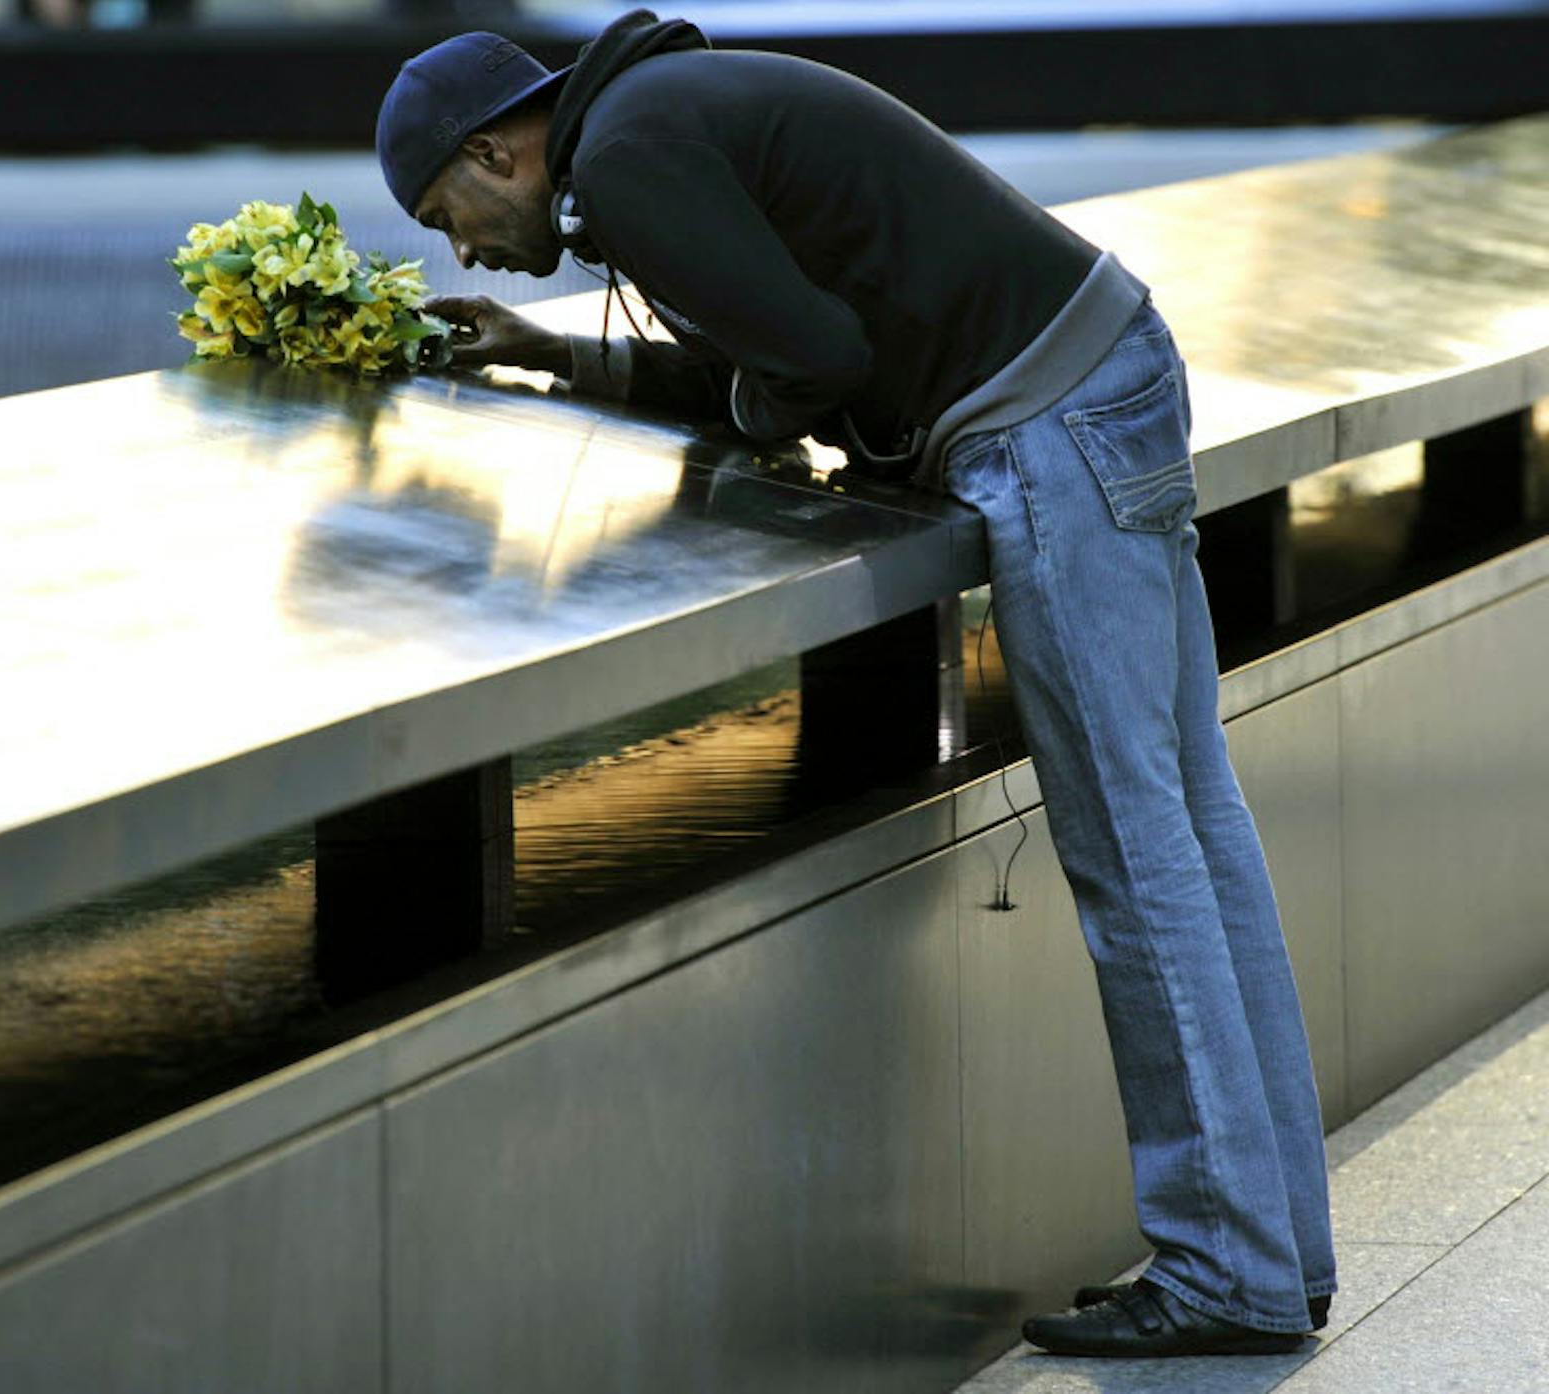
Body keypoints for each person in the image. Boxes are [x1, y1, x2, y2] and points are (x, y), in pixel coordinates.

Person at [375, 8, 1337, 1359]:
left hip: (1043, 423)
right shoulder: (660, 118)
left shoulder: (637, 157)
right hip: (1102, 371)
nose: (462, 245)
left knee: (1134, 851)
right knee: (1192, 828)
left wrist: (783, 426)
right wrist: (558, 356)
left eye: (447, 210)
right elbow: (776, 349)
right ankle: (1274, 1250)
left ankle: (1226, 1267)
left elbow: (811, 363)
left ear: (498, 151)